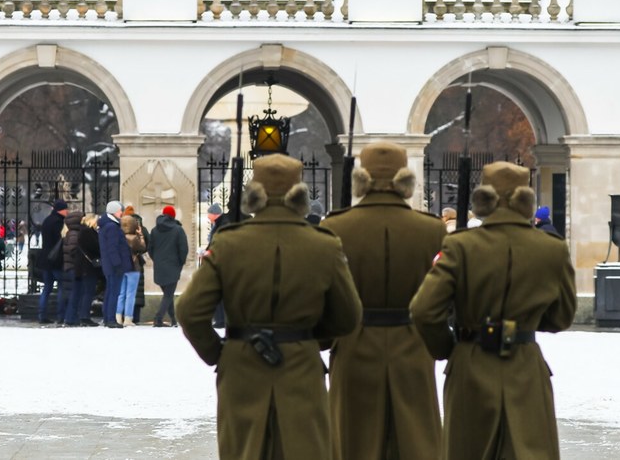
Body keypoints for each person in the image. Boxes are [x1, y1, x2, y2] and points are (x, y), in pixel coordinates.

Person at [177, 154, 362, 460]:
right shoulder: (324, 244)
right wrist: (311, 340)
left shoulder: (228, 242)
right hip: (301, 361)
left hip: (241, 362)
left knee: (244, 450)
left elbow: (190, 310)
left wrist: (219, 353)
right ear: (300, 194)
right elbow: (347, 315)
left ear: (254, 194)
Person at [410, 161, 576, 460]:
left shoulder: (460, 245)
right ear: (526, 199)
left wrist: (450, 349)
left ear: (483, 198)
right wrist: (526, 322)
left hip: (471, 362)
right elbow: (561, 316)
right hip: (525, 363)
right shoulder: (552, 248)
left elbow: (424, 310)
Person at [319, 142, 445, 460]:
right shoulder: (432, 228)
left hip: (353, 344)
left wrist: (325, 338)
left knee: (353, 443)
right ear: (406, 180)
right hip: (413, 345)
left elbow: (325, 296)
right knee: (417, 441)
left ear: (361, 178)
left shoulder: (334, 227)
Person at [147, 205, 188, 327]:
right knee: (169, 294)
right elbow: (183, 249)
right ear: (173, 215)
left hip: (159, 266)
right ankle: (158, 318)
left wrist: (157, 260)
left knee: (167, 294)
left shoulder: (155, 230)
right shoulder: (178, 230)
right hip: (173, 265)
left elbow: (150, 249)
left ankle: (173, 319)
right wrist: (181, 262)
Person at [62, 212, 101, 327]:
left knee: (77, 292)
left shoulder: (81, 231)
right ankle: (84, 316)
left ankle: (71, 318)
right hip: (86, 267)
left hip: (80, 267)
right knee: (87, 292)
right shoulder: (87, 232)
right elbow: (95, 247)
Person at [97, 200, 130, 328]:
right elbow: (113, 248)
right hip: (114, 266)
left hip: (110, 265)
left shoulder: (108, 225)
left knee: (110, 291)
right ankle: (110, 319)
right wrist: (118, 264)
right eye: (120, 210)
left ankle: (107, 318)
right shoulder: (111, 227)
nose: (121, 213)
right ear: (115, 211)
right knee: (113, 292)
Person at [37, 200, 68, 324]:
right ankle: (61, 315)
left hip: (46, 259)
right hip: (56, 259)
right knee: (62, 287)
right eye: (66, 209)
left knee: (47, 288)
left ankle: (42, 314)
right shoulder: (59, 222)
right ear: (61, 210)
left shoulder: (47, 220)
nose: (68, 211)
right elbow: (60, 241)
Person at [117, 214, 147, 326]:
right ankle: (128, 318)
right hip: (133, 267)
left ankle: (118, 317)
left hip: (122, 267)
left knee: (121, 294)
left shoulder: (119, 237)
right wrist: (141, 236)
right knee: (130, 294)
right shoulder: (134, 238)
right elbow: (143, 248)